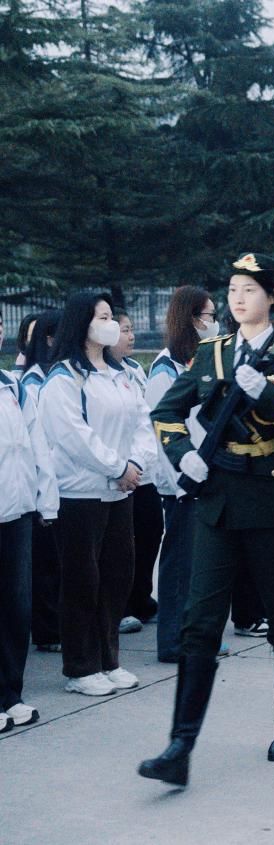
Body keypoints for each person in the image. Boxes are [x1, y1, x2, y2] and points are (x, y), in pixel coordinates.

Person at [139, 253, 274, 787]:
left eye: (249, 289)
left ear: (272, 297)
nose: (238, 298)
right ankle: (180, 744)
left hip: (272, 496)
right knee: (200, 621)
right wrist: (184, 458)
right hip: (217, 494)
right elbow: (166, 412)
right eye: (233, 290)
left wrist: (268, 394)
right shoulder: (211, 353)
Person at [42, 292, 156, 696]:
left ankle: (109, 660)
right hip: (80, 495)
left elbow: (142, 421)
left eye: (111, 317)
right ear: (82, 323)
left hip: (120, 492)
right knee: (81, 581)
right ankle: (80, 667)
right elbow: (73, 435)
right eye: (103, 318)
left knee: (116, 576)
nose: (110, 325)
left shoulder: (120, 372)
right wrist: (117, 468)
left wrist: (135, 464)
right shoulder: (64, 377)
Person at [145, 286, 216, 663]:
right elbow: (161, 427)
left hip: (204, 475)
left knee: (199, 566)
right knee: (179, 565)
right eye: (208, 316)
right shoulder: (165, 367)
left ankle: (194, 635)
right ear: (190, 317)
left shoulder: (198, 360)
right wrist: (181, 481)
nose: (214, 322)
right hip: (181, 482)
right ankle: (172, 642)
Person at [0, 316, 59, 730]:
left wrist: (45, 500)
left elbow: (37, 444)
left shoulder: (12, 385)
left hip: (16, 512)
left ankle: (11, 693)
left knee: (16, 607)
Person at [112, 310, 165, 633]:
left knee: (150, 533)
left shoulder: (134, 369)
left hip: (143, 472)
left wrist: (143, 461)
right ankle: (121, 606)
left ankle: (142, 598)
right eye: (124, 330)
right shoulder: (97, 374)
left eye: (131, 329)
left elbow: (145, 420)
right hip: (119, 473)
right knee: (121, 546)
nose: (131, 336)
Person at [21, 311, 63, 654]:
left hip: (60, 480)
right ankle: (47, 630)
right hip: (42, 482)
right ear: (48, 339)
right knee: (45, 564)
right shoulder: (33, 382)